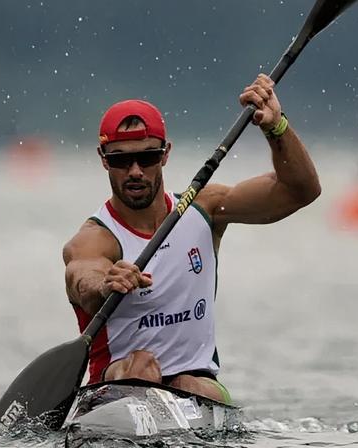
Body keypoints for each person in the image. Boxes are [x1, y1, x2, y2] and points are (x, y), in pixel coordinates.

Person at [62, 74, 321, 404]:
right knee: (142, 367)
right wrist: (105, 284)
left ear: (166, 154)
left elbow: (302, 190)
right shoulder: (95, 239)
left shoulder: (205, 210)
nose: (136, 171)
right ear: (103, 160)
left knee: (189, 384)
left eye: (148, 156)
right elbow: (83, 279)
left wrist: (276, 128)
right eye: (120, 160)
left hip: (196, 386)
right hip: (116, 389)